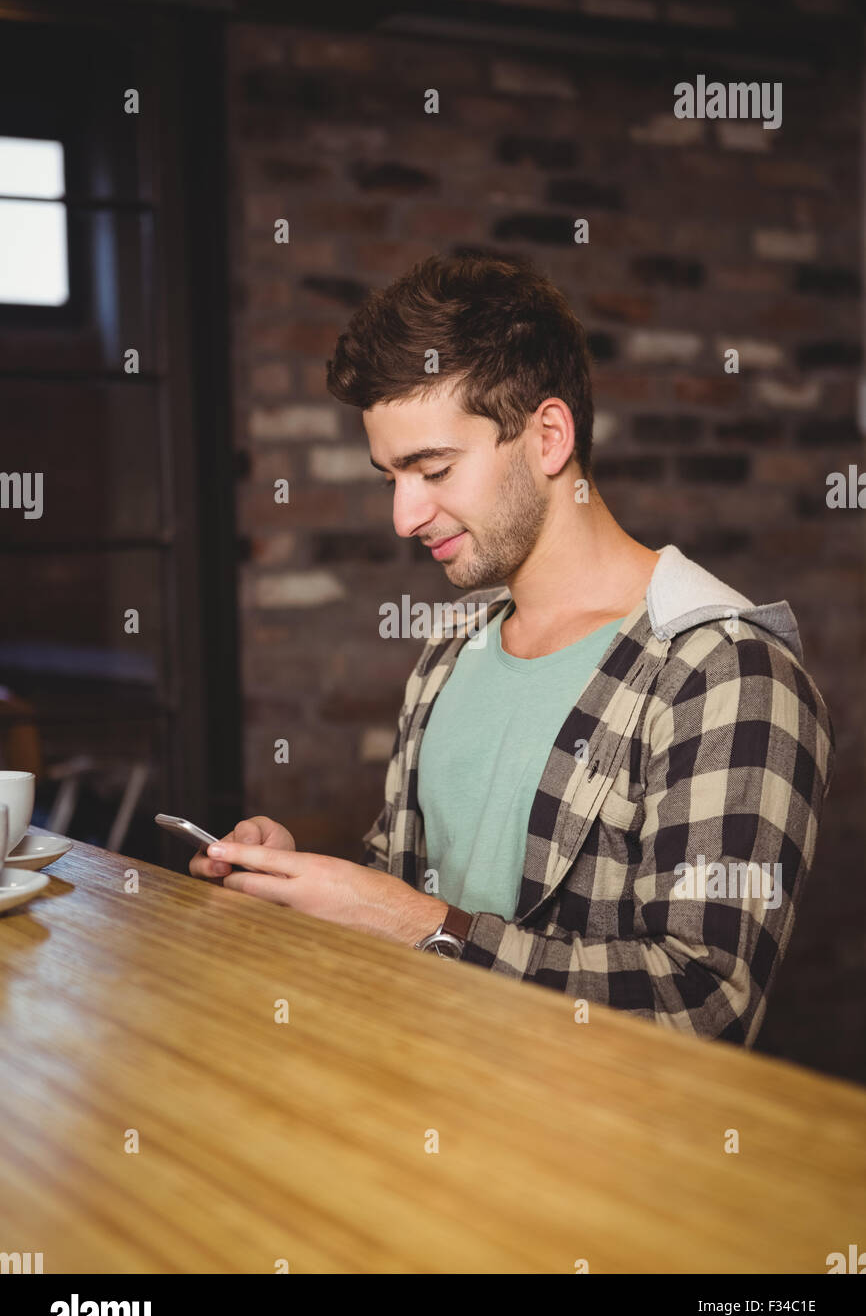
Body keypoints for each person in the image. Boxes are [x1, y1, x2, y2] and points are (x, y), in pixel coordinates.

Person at [191, 251, 835, 1046]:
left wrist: (416, 924)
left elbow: (700, 1006)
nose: (403, 515)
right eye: (389, 476)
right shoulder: (448, 654)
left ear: (549, 437)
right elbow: (406, 890)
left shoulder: (727, 672)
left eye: (432, 469)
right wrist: (304, 879)